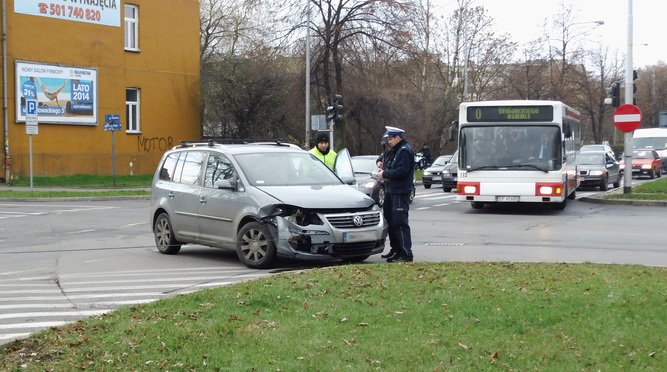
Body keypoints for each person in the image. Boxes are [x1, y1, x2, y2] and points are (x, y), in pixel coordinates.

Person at [377, 126, 415, 263]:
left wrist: (384, 174)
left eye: (391, 139)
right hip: (392, 189)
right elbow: (384, 158)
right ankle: (397, 250)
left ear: (398, 137)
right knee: (391, 222)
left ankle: (406, 253)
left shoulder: (404, 151)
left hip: (400, 190)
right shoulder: (396, 150)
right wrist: (380, 163)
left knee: (400, 222)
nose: (389, 142)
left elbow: (402, 171)